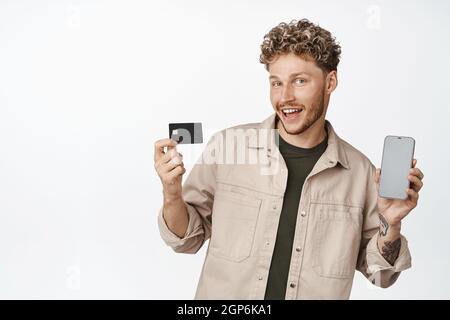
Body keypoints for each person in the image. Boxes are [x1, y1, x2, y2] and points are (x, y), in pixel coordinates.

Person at [153, 19, 424, 299]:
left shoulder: (360, 173)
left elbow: (381, 274)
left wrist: (390, 225)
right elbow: (185, 240)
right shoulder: (226, 147)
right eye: (276, 83)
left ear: (330, 82)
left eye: (300, 81)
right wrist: (172, 194)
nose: (285, 97)